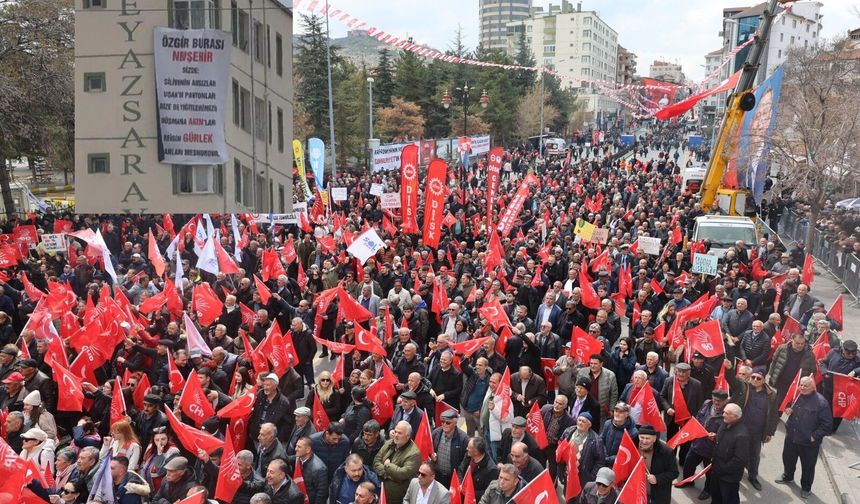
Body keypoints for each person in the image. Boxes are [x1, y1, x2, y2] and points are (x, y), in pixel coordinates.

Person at [725, 361, 779, 490]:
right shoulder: (744, 387)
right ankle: (732, 474)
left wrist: (770, 432)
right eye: (753, 377)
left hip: (757, 432)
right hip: (740, 429)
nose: (755, 380)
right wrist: (729, 369)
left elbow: (773, 415)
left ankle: (753, 476)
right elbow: (732, 380)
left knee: (754, 456)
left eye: (758, 378)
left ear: (764, 380)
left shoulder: (771, 394)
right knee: (735, 453)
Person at [776, 376, 833, 499]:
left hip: (808, 442)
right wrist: (788, 409)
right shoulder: (797, 395)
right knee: (788, 459)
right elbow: (790, 405)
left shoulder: (821, 403)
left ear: (813, 387)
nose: (802, 387)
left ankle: (806, 488)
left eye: (805, 385)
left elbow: (827, 424)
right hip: (792, 436)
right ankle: (788, 476)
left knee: (808, 466)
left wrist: (814, 436)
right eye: (801, 385)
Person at [708, 403, 749, 504]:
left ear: (736, 417)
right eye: (724, 412)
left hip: (728, 478)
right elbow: (724, 440)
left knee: (729, 499)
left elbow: (740, 460)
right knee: (715, 495)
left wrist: (722, 469)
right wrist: (715, 438)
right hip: (717, 471)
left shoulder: (742, 435)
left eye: (727, 413)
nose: (723, 415)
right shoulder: (725, 423)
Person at [373, 420, 421, 504]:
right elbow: (376, 461)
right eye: (395, 432)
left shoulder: (414, 454)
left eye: (399, 433)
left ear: (408, 436)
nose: (396, 435)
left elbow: (402, 474)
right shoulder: (390, 443)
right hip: (380, 488)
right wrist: (387, 475)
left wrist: (387, 465)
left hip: (397, 496)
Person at [819, 339, 860, 433]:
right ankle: (822, 424)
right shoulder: (834, 352)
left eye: (853, 353)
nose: (851, 355)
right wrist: (824, 371)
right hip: (829, 385)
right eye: (848, 353)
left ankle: (832, 428)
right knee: (826, 406)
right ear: (843, 349)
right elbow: (823, 362)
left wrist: (855, 371)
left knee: (838, 409)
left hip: (843, 390)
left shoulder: (858, 357)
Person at [636, 425, 678, 504]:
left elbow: (674, 473)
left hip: (656, 495)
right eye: (642, 437)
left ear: (654, 439)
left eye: (648, 438)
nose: (644, 441)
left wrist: (657, 478)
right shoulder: (633, 445)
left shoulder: (666, 452)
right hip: (637, 492)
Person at [430, 409, 469, 487]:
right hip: (437, 476)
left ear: (455, 423)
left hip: (453, 478)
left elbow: (465, 462)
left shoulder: (463, 439)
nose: (444, 424)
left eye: (448, 423)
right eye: (442, 422)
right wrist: (432, 457)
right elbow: (430, 450)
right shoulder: (436, 433)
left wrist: (459, 479)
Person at [457, 437, 499, 502]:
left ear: (476, 452)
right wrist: (460, 483)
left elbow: (488, 492)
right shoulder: (468, 455)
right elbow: (460, 470)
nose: (466, 449)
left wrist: (469, 492)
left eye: (469, 448)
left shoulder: (491, 470)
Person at [293, 437, 329, 504]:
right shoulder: (299, 458)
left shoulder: (319, 469)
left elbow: (321, 494)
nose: (295, 449)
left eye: (299, 447)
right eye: (296, 446)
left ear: (308, 450)